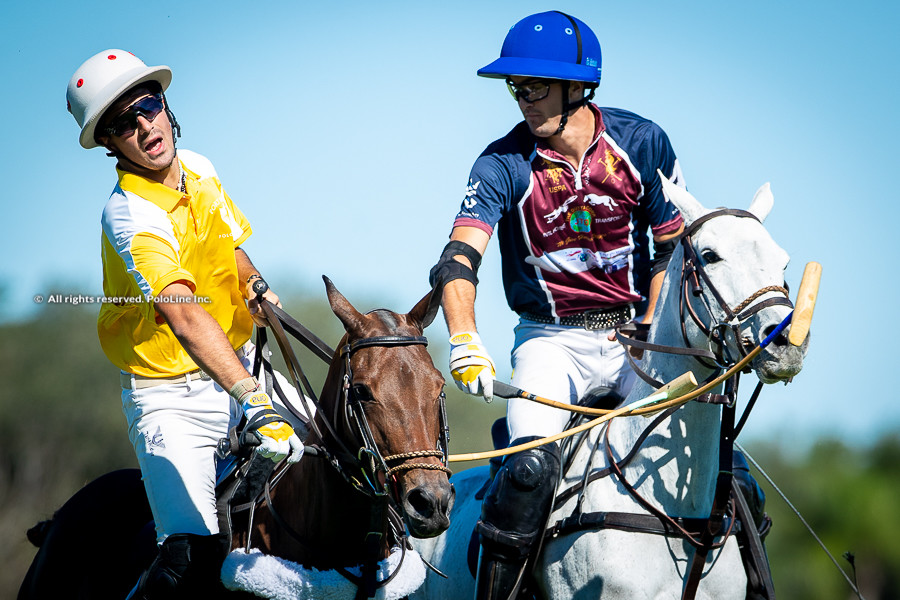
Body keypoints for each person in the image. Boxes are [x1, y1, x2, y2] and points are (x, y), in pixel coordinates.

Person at [428, 12, 687, 600]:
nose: (523, 99)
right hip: (551, 342)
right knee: (527, 472)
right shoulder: (501, 164)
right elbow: (458, 258)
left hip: (635, 339)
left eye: (535, 86)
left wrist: (650, 324)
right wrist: (464, 337)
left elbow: (671, 249)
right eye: (516, 88)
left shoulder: (642, 143)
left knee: (724, 464)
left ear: (578, 87)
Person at [66, 49, 306, 599]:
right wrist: (252, 398)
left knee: (349, 463)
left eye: (147, 107)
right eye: (122, 123)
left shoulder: (200, 167)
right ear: (109, 143)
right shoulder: (129, 212)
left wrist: (257, 289)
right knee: (189, 558)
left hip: (243, 369)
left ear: (164, 104)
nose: (143, 126)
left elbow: (232, 251)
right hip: (170, 397)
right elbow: (183, 312)